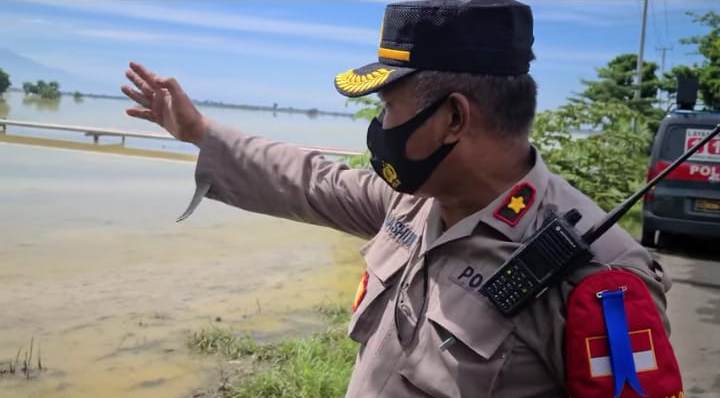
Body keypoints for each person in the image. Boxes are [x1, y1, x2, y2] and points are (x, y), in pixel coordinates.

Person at [122, 1, 683, 397]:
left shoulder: (597, 276)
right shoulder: (413, 202)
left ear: (454, 119)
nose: (378, 126)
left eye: (389, 107)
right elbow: (312, 179)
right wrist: (200, 131)